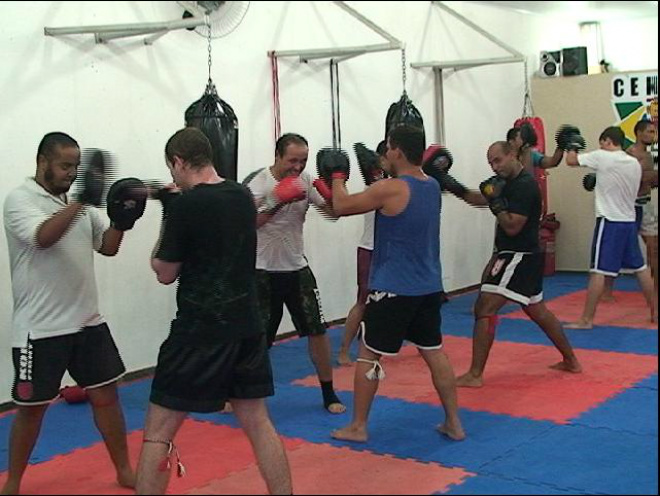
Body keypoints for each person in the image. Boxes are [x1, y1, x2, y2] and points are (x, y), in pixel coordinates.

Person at [136, 128, 292, 495]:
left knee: (158, 432)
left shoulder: (187, 206)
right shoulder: (241, 194)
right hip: (247, 326)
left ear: (178, 161)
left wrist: (168, 212)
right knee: (258, 423)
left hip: (199, 331)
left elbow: (164, 272)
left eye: (172, 169)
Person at [1, 133, 139, 495]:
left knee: (108, 396)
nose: (71, 173)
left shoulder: (80, 206)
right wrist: (80, 201)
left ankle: (124, 470)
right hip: (40, 329)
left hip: (87, 322)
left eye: (76, 166)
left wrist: (122, 222)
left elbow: (106, 248)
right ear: (42, 161)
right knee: (32, 411)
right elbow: (42, 238)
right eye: (64, 165)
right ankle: (12, 483)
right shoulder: (20, 200)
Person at [328, 125, 465, 443]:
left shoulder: (391, 188)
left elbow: (341, 206)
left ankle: (358, 427)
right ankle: (454, 422)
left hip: (393, 287)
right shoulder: (431, 185)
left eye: (388, 148)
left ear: (398, 151)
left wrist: (336, 175)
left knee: (369, 355)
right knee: (434, 352)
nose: (385, 153)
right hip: (429, 286)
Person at [455, 141, 582, 388]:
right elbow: (479, 197)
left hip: (518, 255)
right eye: (490, 162)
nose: (494, 166)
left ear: (512, 155)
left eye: (498, 160)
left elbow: (512, 226)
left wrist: (496, 204)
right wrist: (448, 183)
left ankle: (475, 374)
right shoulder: (505, 183)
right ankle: (571, 360)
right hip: (525, 255)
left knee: (484, 309)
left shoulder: (525, 186)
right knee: (538, 311)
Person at [243, 133, 345, 414]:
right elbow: (245, 223)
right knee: (258, 337)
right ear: (277, 156)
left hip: (296, 268)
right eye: (292, 161)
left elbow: (334, 214)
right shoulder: (259, 183)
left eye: (303, 161)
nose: (297, 167)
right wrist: (276, 201)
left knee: (317, 330)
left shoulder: (307, 180)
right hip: (262, 270)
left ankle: (329, 392)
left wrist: (335, 186)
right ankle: (245, 393)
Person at [565, 127, 657, 329]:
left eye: (601, 143)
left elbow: (571, 161)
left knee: (598, 270)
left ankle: (586, 320)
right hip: (629, 220)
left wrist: (570, 145)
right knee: (640, 269)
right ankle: (655, 313)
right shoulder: (633, 163)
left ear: (607, 141)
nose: (600, 147)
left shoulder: (602, 157)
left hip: (610, 221)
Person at [338, 141, 388, 366]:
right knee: (362, 301)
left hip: (392, 252)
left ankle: (419, 344)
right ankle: (344, 351)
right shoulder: (377, 188)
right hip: (370, 249)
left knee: (406, 299)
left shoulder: (399, 185)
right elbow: (343, 206)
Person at [601, 120, 659, 301]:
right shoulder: (629, 155)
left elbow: (650, 181)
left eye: (654, 132)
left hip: (646, 204)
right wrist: (647, 177)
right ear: (639, 133)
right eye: (649, 132)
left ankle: (655, 291)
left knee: (654, 248)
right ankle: (607, 291)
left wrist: (653, 179)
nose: (653, 135)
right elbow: (626, 179)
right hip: (629, 206)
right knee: (617, 248)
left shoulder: (648, 156)